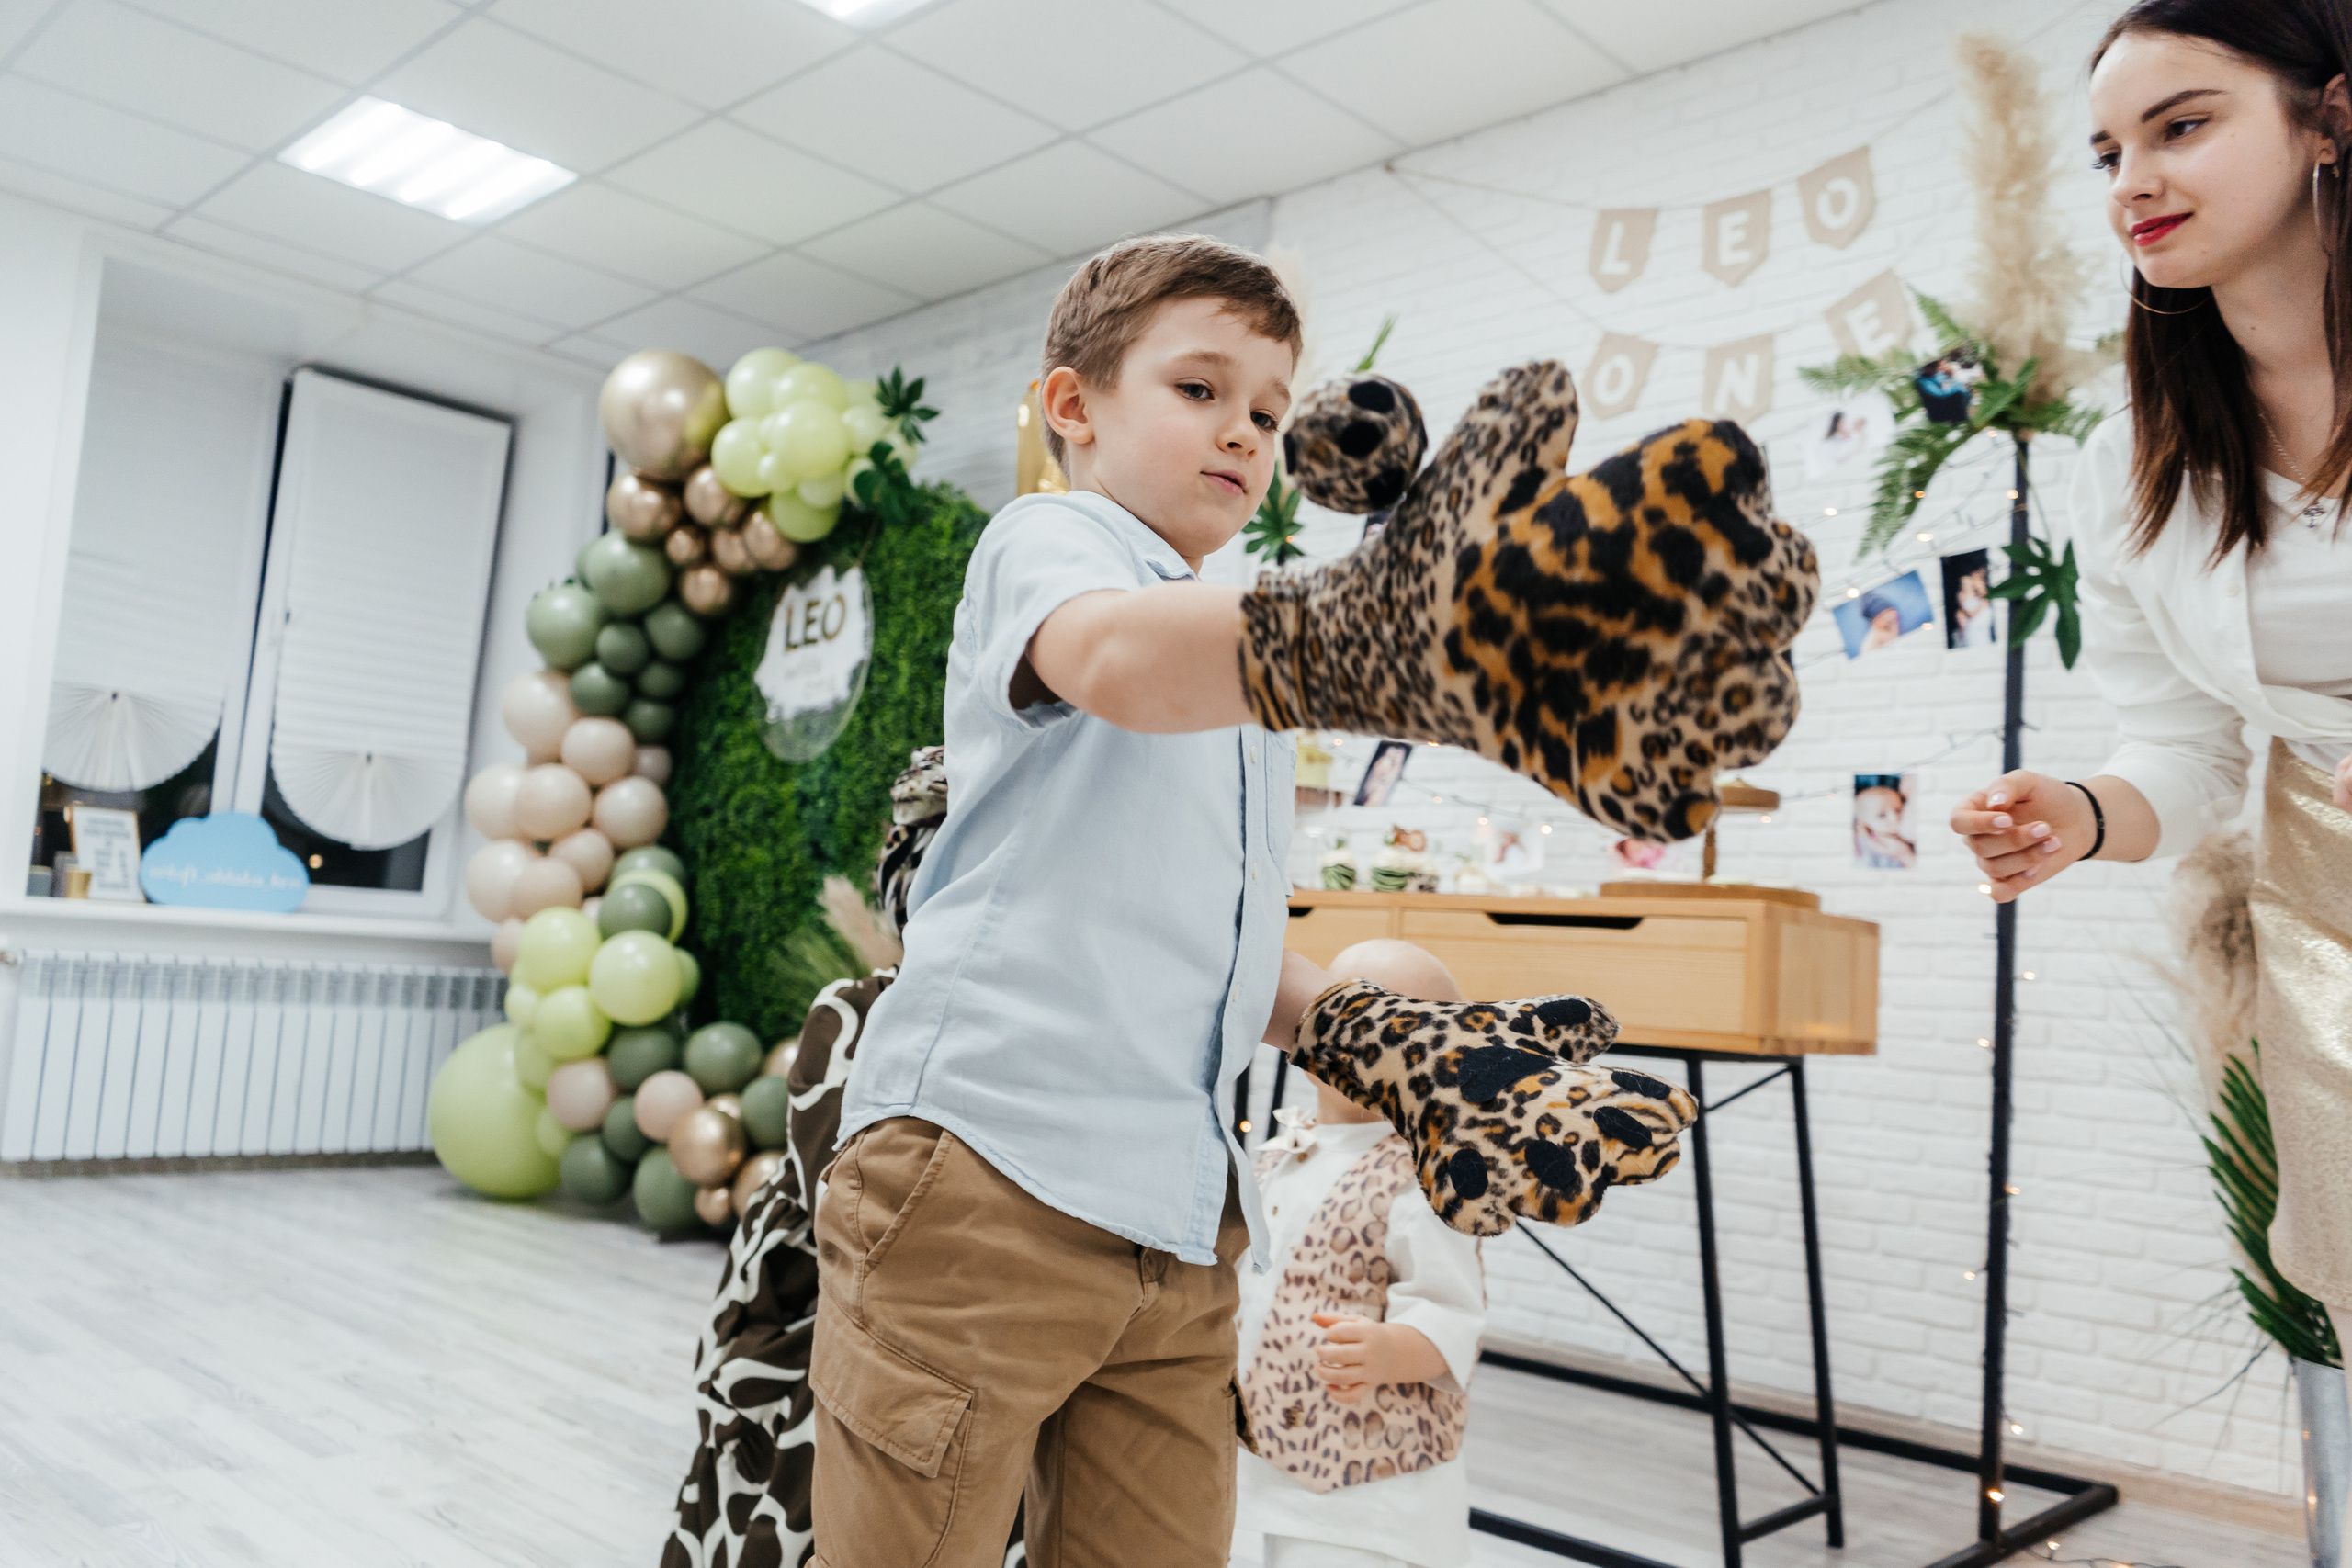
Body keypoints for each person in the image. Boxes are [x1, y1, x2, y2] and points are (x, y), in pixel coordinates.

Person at [804, 234, 1690, 1567]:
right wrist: (1362, 633)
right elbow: (1109, 659)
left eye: (1271, 412)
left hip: (1176, 1228)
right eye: (1201, 390)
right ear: (1074, 409)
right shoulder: (1055, 540)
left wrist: (1411, 1044)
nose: (1246, 433)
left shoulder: (1237, 664)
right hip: (985, 1185)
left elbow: (1221, 948)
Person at [1951, 0, 2352, 1345]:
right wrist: (2083, 811)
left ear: (2329, 122)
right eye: (2109, 152)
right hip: (2332, 878)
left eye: (2182, 127)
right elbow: (2184, 748)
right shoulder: (2132, 457)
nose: (2135, 182)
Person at [1237, 940, 1487, 1568]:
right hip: (1262, 1457)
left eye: (1391, 1027)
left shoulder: (1424, 1178)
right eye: (1340, 1014)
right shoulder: (1280, 1150)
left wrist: (1392, 1348)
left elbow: (1453, 1312)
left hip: (1369, 1481)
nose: (1358, 1040)